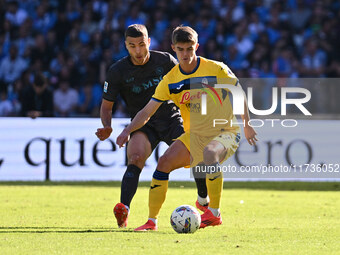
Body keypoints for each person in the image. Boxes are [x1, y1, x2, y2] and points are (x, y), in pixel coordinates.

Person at [116, 26, 258, 231]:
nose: (185, 54)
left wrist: (247, 124)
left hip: (225, 132)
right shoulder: (170, 81)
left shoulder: (216, 69)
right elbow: (146, 112)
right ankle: (151, 221)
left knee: (210, 153)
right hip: (194, 136)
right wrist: (127, 130)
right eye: (181, 49)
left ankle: (214, 214)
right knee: (163, 163)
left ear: (196, 47)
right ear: (173, 48)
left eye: (190, 49)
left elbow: (239, 93)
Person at [95, 24, 208, 228]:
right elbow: (106, 107)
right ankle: (124, 209)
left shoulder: (165, 61)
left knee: (195, 155)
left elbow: (187, 82)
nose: (138, 51)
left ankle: (203, 200)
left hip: (171, 118)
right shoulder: (117, 71)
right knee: (136, 158)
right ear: (126, 46)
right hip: (142, 124)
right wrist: (107, 126)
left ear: (148, 42)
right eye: (132, 46)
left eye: (141, 44)